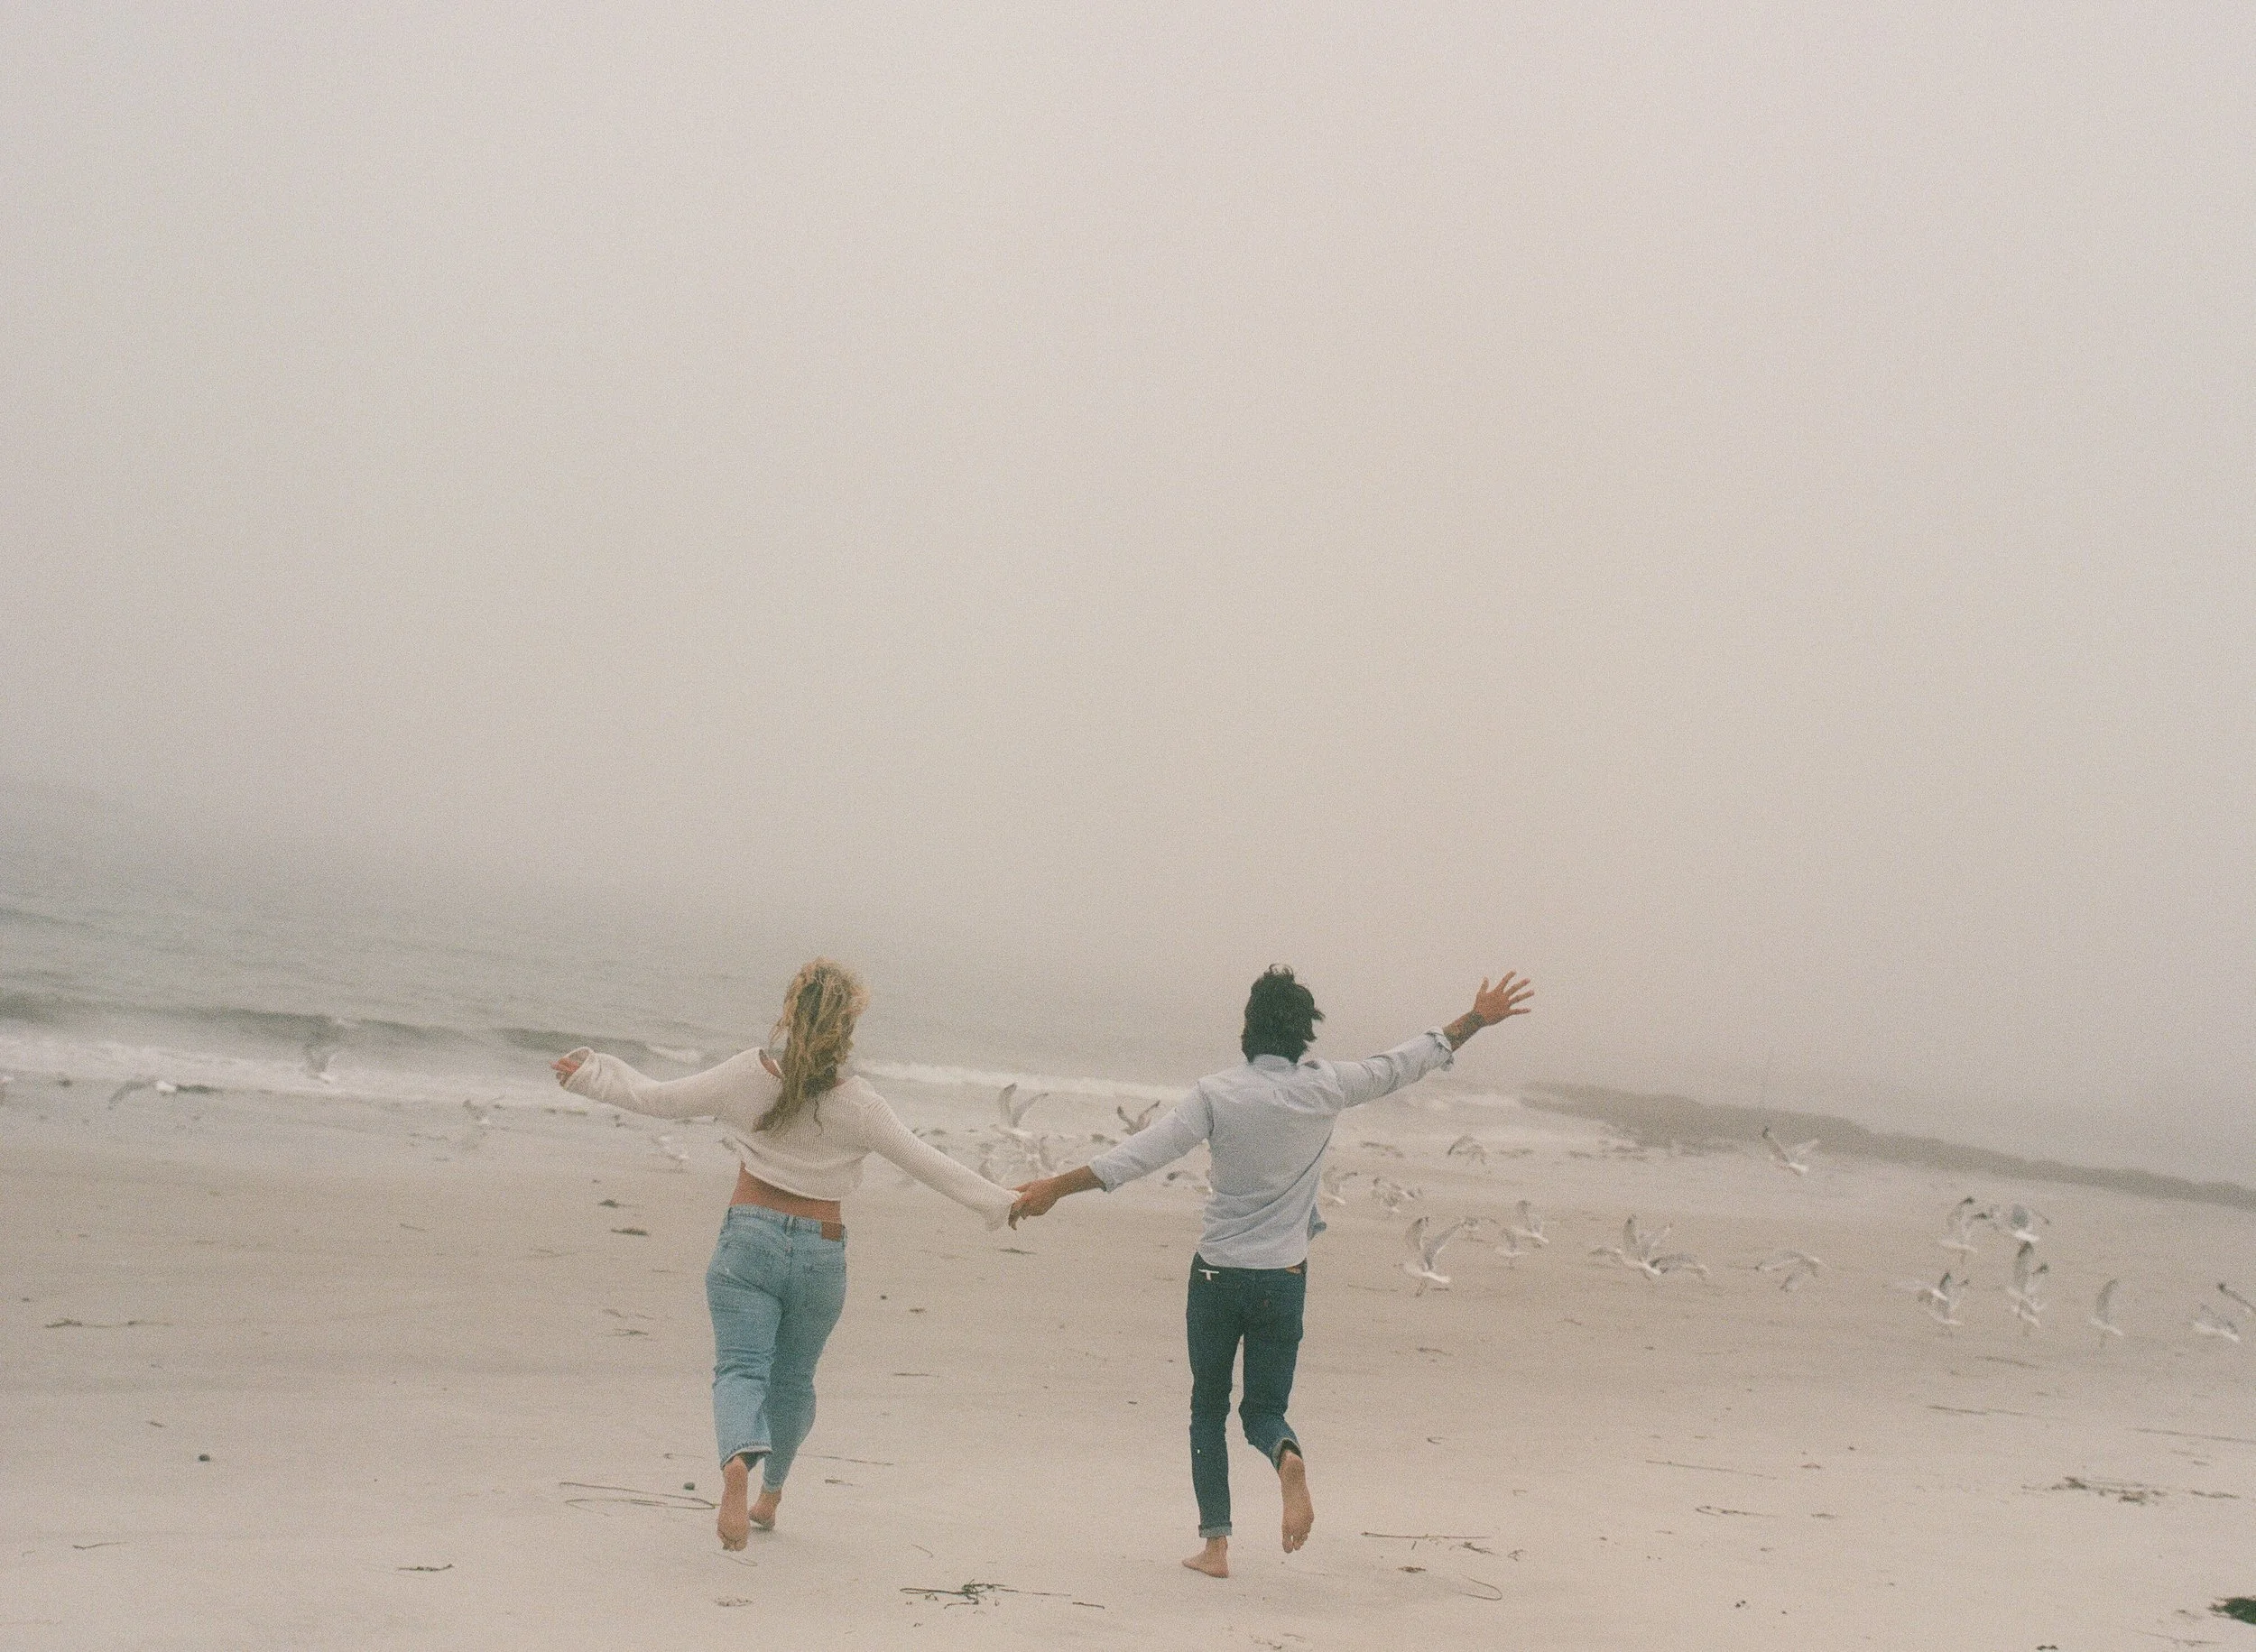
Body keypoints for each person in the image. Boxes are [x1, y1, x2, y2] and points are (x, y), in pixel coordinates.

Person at [1009, 964, 1534, 1577]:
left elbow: (1136, 1155)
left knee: (1207, 1404)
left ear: (1247, 1029)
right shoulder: (1328, 1085)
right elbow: (1405, 1061)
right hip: (1283, 1278)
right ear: (1303, 1033)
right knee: (1262, 1409)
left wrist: (1055, 1186)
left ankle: (1215, 1545)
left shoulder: (1217, 1093)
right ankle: (1286, 1456)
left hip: (1217, 1276)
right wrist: (1475, 1018)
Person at [551, 958, 1017, 1550]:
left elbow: (658, 1098)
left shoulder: (745, 1074)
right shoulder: (863, 1104)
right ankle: (772, 1493)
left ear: (788, 1014)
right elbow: (928, 1162)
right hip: (821, 1253)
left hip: (748, 1240)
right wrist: (1003, 1201)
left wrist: (588, 1073)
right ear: (847, 1026)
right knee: (794, 1379)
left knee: (741, 1369)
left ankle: (736, 1467)